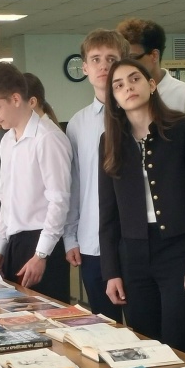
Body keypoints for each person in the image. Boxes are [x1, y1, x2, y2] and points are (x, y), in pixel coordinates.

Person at [98, 58, 185, 357]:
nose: (128, 87)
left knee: (182, 343)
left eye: (134, 79)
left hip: (178, 250)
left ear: (151, 84)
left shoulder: (183, 129)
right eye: (118, 85)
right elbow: (108, 214)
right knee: (145, 345)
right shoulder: (109, 141)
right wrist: (111, 272)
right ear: (114, 99)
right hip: (133, 255)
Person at [0, 62, 73, 302]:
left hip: (42, 242)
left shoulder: (48, 138)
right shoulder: (7, 140)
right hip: (14, 242)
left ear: (16, 99)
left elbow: (59, 201)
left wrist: (41, 255)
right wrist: (0, 248)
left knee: (46, 317)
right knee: (14, 316)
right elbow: (6, 200)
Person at [64, 29, 130, 321]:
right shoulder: (77, 124)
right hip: (93, 240)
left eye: (111, 59)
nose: (104, 66)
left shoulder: (140, 115)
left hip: (137, 241)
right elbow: (74, 183)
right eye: (96, 59)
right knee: (104, 324)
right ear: (85, 68)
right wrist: (69, 236)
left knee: (146, 329)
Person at [0, 74, 53, 269]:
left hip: (29, 234)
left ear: (23, 101)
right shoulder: (4, 136)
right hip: (1, 230)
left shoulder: (47, 137)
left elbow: (57, 199)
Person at [117, 17, 185, 112]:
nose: (127, 65)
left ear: (154, 56)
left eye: (132, 58)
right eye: (123, 59)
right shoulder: (122, 95)